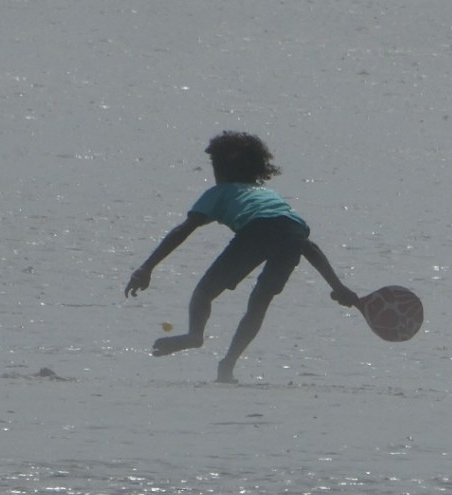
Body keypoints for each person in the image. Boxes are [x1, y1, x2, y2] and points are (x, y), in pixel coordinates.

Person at [125, 131, 359, 383]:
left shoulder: (220, 191)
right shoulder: (269, 194)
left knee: (204, 293)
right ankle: (228, 365)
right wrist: (338, 287)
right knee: (259, 303)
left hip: (257, 230)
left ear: (221, 168)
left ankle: (195, 335)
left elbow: (183, 230)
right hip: (294, 233)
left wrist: (146, 267)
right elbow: (308, 246)